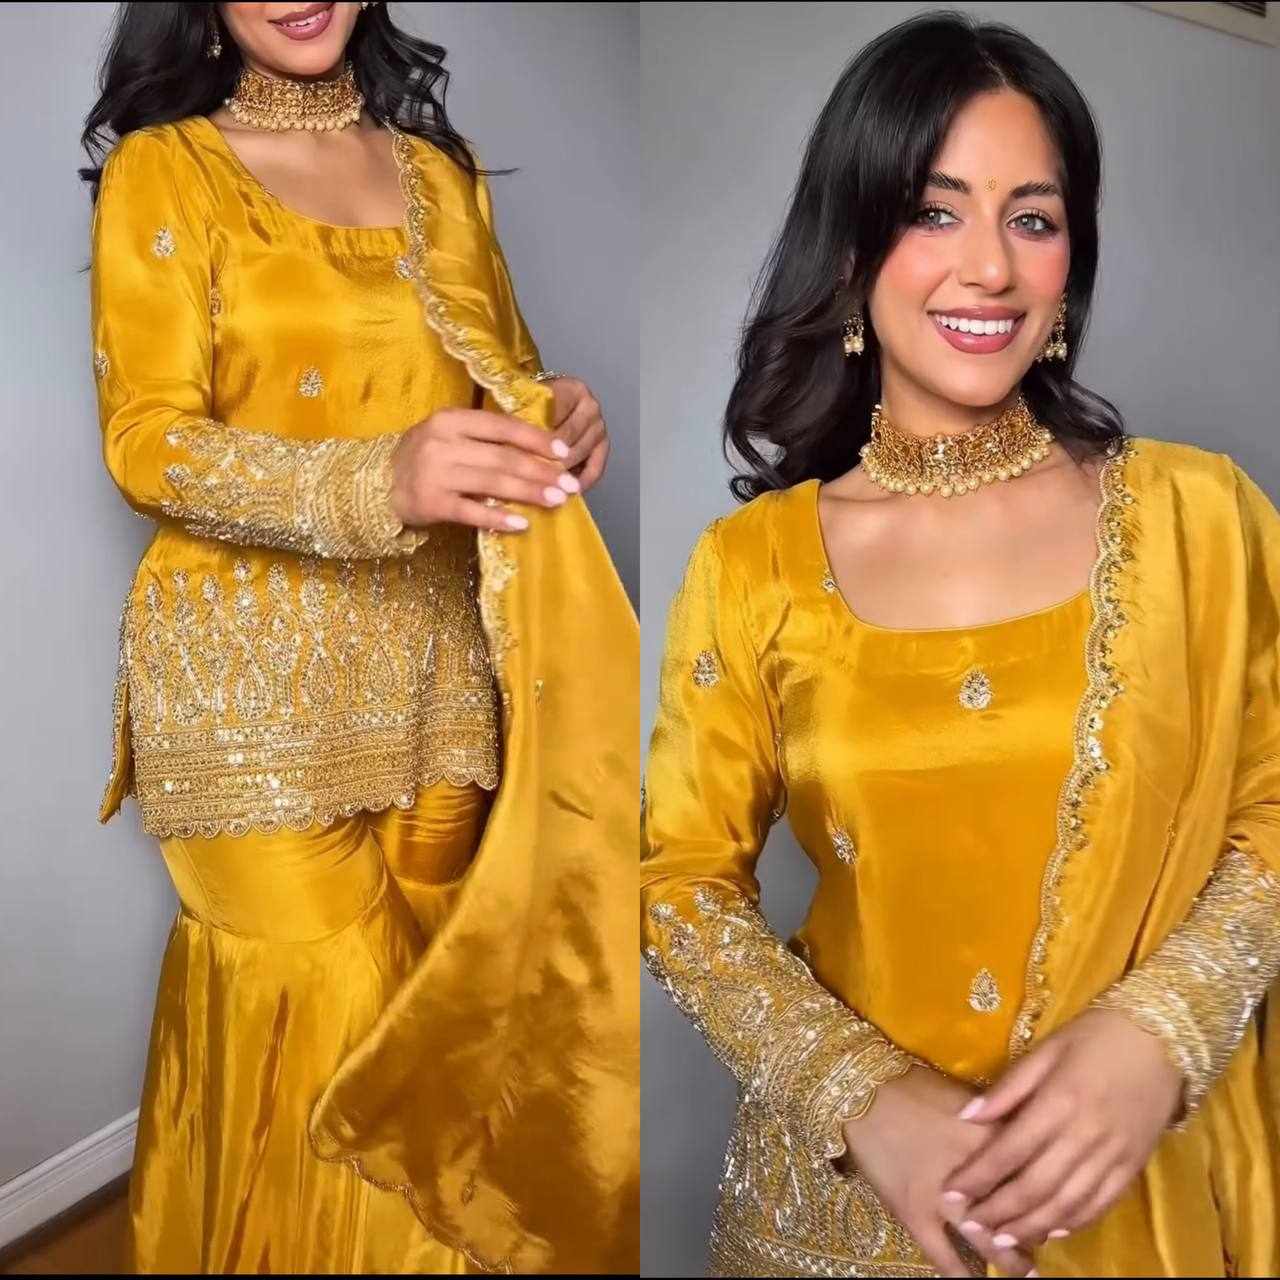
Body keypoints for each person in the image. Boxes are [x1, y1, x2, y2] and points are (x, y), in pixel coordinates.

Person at [640, 11, 1280, 1277]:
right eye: (933, 212)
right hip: (838, 1216)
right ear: (851, 250)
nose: (987, 266)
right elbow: (679, 884)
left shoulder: (1199, 517)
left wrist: (1162, 1028)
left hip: (1131, 1195)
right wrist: (861, 1095)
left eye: (1031, 219)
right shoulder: (754, 563)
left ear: (1068, 265)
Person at [85, 2, 637, 1272]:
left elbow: (490, 384)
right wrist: (374, 480)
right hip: (241, 691)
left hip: (438, 679)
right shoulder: (167, 169)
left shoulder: (440, 174)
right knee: (321, 1034)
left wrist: (552, 412)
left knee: (426, 1043)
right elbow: (146, 440)